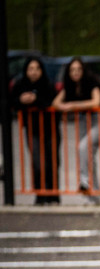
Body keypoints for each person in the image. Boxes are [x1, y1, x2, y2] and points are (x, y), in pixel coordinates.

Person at [53, 57, 100, 203]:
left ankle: (85, 181)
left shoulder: (92, 82)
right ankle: (95, 196)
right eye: (72, 70)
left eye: (78, 69)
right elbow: (56, 103)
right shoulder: (70, 86)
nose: (75, 73)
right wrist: (65, 106)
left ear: (83, 70)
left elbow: (96, 101)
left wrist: (73, 105)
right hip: (84, 121)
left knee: (83, 147)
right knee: (89, 157)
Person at [11, 57, 60, 204]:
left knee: (52, 162)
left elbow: (52, 103)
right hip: (33, 130)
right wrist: (21, 100)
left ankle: (53, 195)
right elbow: (12, 103)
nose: (34, 72)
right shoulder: (20, 85)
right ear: (26, 71)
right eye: (30, 69)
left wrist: (36, 99)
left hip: (50, 129)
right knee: (38, 163)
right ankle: (40, 194)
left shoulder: (48, 85)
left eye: (37, 69)